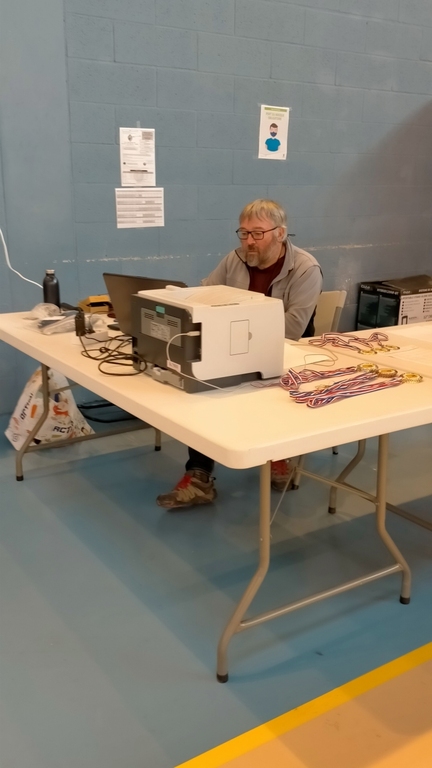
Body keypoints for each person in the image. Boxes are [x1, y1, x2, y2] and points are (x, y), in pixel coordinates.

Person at [157, 199, 323, 510]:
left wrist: (231, 323)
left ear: (280, 234)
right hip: (234, 349)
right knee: (200, 387)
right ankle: (199, 477)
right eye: (243, 233)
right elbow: (202, 298)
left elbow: (292, 329)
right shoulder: (233, 260)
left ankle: (279, 453)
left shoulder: (305, 268)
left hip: (286, 356)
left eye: (258, 233)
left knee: (257, 391)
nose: (248, 241)